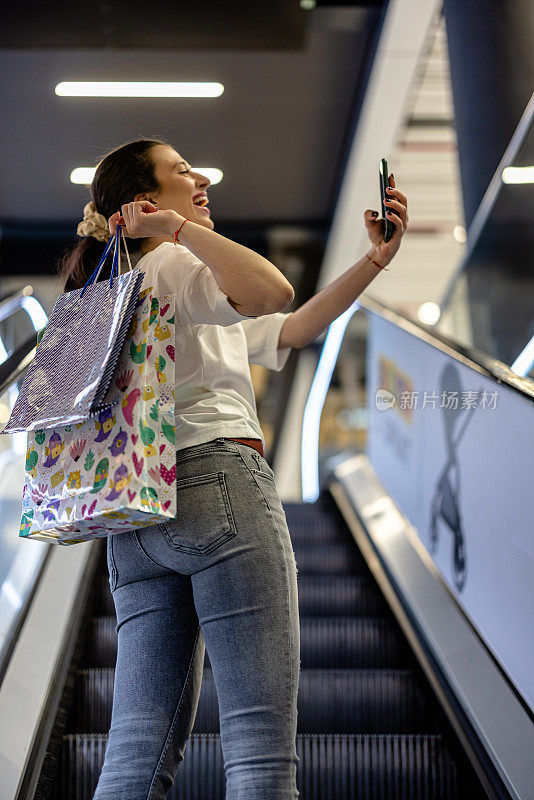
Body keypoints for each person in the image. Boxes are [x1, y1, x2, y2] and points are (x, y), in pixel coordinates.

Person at [61, 136, 408, 800]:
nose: (201, 181)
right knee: (258, 751)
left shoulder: (126, 284)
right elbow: (273, 289)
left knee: (136, 751)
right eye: (183, 172)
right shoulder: (171, 262)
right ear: (146, 202)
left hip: (135, 517)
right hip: (219, 488)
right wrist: (178, 231)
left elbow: (293, 328)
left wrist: (374, 261)